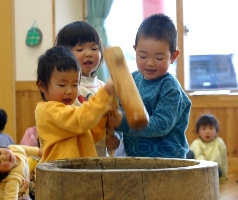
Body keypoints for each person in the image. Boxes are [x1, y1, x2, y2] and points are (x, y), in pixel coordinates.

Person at [108, 13, 191, 158]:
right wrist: (115, 132)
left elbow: (160, 125)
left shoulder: (170, 88)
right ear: (135, 50)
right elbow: (120, 113)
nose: (150, 63)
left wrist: (123, 123)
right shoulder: (131, 80)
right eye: (143, 56)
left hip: (168, 162)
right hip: (134, 158)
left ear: (173, 56)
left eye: (159, 57)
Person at [35, 45, 117, 163]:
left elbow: (86, 135)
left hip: (77, 173)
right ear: (41, 86)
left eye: (75, 84)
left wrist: (103, 120)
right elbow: (80, 120)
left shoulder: (67, 110)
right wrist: (104, 93)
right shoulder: (47, 111)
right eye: (62, 85)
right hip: (60, 175)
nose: (70, 91)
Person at [55, 21, 121, 156]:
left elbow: (112, 125)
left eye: (94, 48)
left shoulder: (105, 87)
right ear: (63, 55)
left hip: (100, 158)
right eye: (80, 49)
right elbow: (73, 123)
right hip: (75, 156)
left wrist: (115, 137)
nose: (89, 53)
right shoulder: (68, 89)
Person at [189, 114, 228, 179]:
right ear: (198, 132)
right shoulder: (196, 143)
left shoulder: (219, 142)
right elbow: (199, 158)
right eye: (203, 129)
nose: (207, 131)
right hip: (199, 169)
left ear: (216, 131)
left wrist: (224, 175)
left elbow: (224, 159)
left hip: (213, 170)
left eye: (211, 128)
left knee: (219, 171)